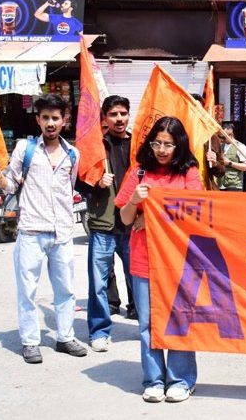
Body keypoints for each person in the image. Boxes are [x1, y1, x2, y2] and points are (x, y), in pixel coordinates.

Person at [0, 94, 87, 364]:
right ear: (38, 120)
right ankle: (30, 342)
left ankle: (65, 337)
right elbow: (10, 184)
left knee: (66, 290)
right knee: (27, 291)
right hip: (31, 230)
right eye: (46, 118)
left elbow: (70, 187)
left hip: (62, 231)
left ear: (64, 120)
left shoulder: (72, 153)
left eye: (56, 118)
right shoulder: (25, 149)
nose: (51, 123)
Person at [115, 116, 202, 403]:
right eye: (157, 143)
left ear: (179, 146)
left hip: (179, 261)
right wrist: (134, 202)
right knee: (147, 324)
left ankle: (180, 380)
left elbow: (196, 215)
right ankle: (153, 380)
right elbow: (126, 219)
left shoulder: (189, 173)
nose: (162, 150)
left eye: (169, 144)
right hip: (143, 259)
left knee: (178, 320)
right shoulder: (139, 172)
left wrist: (153, 221)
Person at [85, 95, 136, 353]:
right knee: (98, 283)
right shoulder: (95, 146)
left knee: (138, 279)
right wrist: (94, 181)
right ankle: (99, 331)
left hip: (133, 224)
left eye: (123, 114)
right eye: (114, 114)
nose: (119, 119)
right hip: (103, 225)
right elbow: (76, 180)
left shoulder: (139, 145)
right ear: (104, 118)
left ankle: (145, 324)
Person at [218, 123, 246, 191]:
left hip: (234, 186)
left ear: (230, 135)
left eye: (223, 137)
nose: (221, 139)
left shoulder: (240, 147)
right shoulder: (220, 146)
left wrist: (230, 163)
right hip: (220, 185)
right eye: (219, 137)